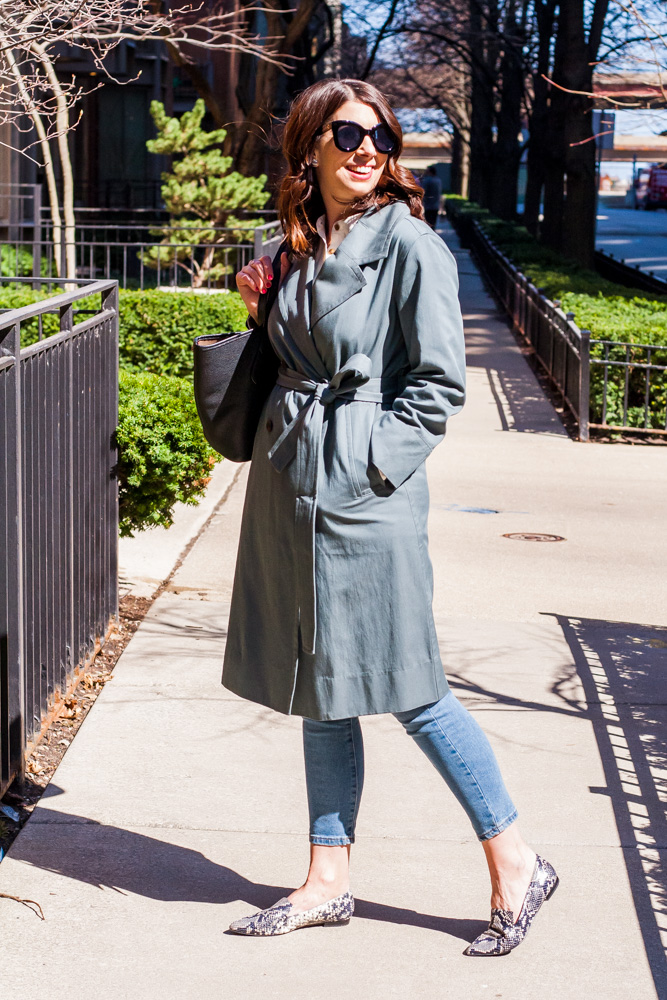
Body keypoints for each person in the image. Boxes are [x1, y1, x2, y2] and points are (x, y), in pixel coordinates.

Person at [223, 78, 558, 955]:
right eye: (346, 134)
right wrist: (263, 300)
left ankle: (514, 858)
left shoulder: (410, 245)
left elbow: (437, 384)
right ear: (310, 150)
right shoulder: (293, 245)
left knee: (411, 687)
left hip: (362, 492)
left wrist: (373, 463)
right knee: (318, 693)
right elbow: (294, 348)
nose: (366, 148)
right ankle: (326, 879)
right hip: (287, 483)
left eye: (379, 135)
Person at [421, 164, 442, 229]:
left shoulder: (427, 180)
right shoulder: (438, 180)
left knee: (428, 223)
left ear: (430, 172)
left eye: (427, 171)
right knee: (433, 223)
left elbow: (423, 191)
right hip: (436, 205)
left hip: (428, 205)